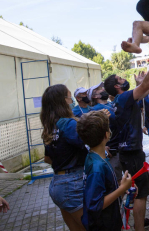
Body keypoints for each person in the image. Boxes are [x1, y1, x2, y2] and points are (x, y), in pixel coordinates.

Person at [103, 32, 149, 231]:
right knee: (141, 192)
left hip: (128, 152)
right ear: (116, 86)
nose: (125, 79)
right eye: (121, 78)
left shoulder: (119, 101)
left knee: (137, 190)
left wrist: (144, 82)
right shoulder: (122, 98)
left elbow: (147, 88)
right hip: (131, 153)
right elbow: (148, 85)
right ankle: (139, 228)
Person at [40, 84, 89, 230]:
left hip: (58, 184)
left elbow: (47, 159)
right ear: (63, 101)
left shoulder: (50, 126)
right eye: (69, 97)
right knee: (92, 226)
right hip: (72, 184)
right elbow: (88, 146)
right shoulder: (69, 124)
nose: (72, 100)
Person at [77, 111, 133, 231]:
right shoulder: (97, 166)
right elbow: (96, 204)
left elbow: (104, 191)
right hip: (103, 225)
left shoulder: (94, 156)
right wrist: (122, 188)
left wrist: (123, 189)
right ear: (107, 135)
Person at [87, 84, 122, 182]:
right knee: (116, 183)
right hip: (112, 152)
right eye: (99, 89)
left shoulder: (112, 104)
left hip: (122, 148)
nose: (103, 89)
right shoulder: (94, 110)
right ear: (95, 96)